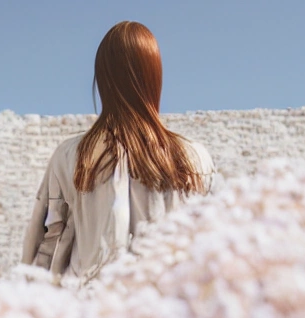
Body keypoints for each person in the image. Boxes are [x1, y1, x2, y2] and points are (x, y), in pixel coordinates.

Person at [22, 21, 215, 278]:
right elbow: (208, 245)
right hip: (167, 303)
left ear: (103, 78)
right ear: (154, 77)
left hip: (91, 305)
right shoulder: (194, 158)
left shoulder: (70, 155)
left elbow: (47, 243)